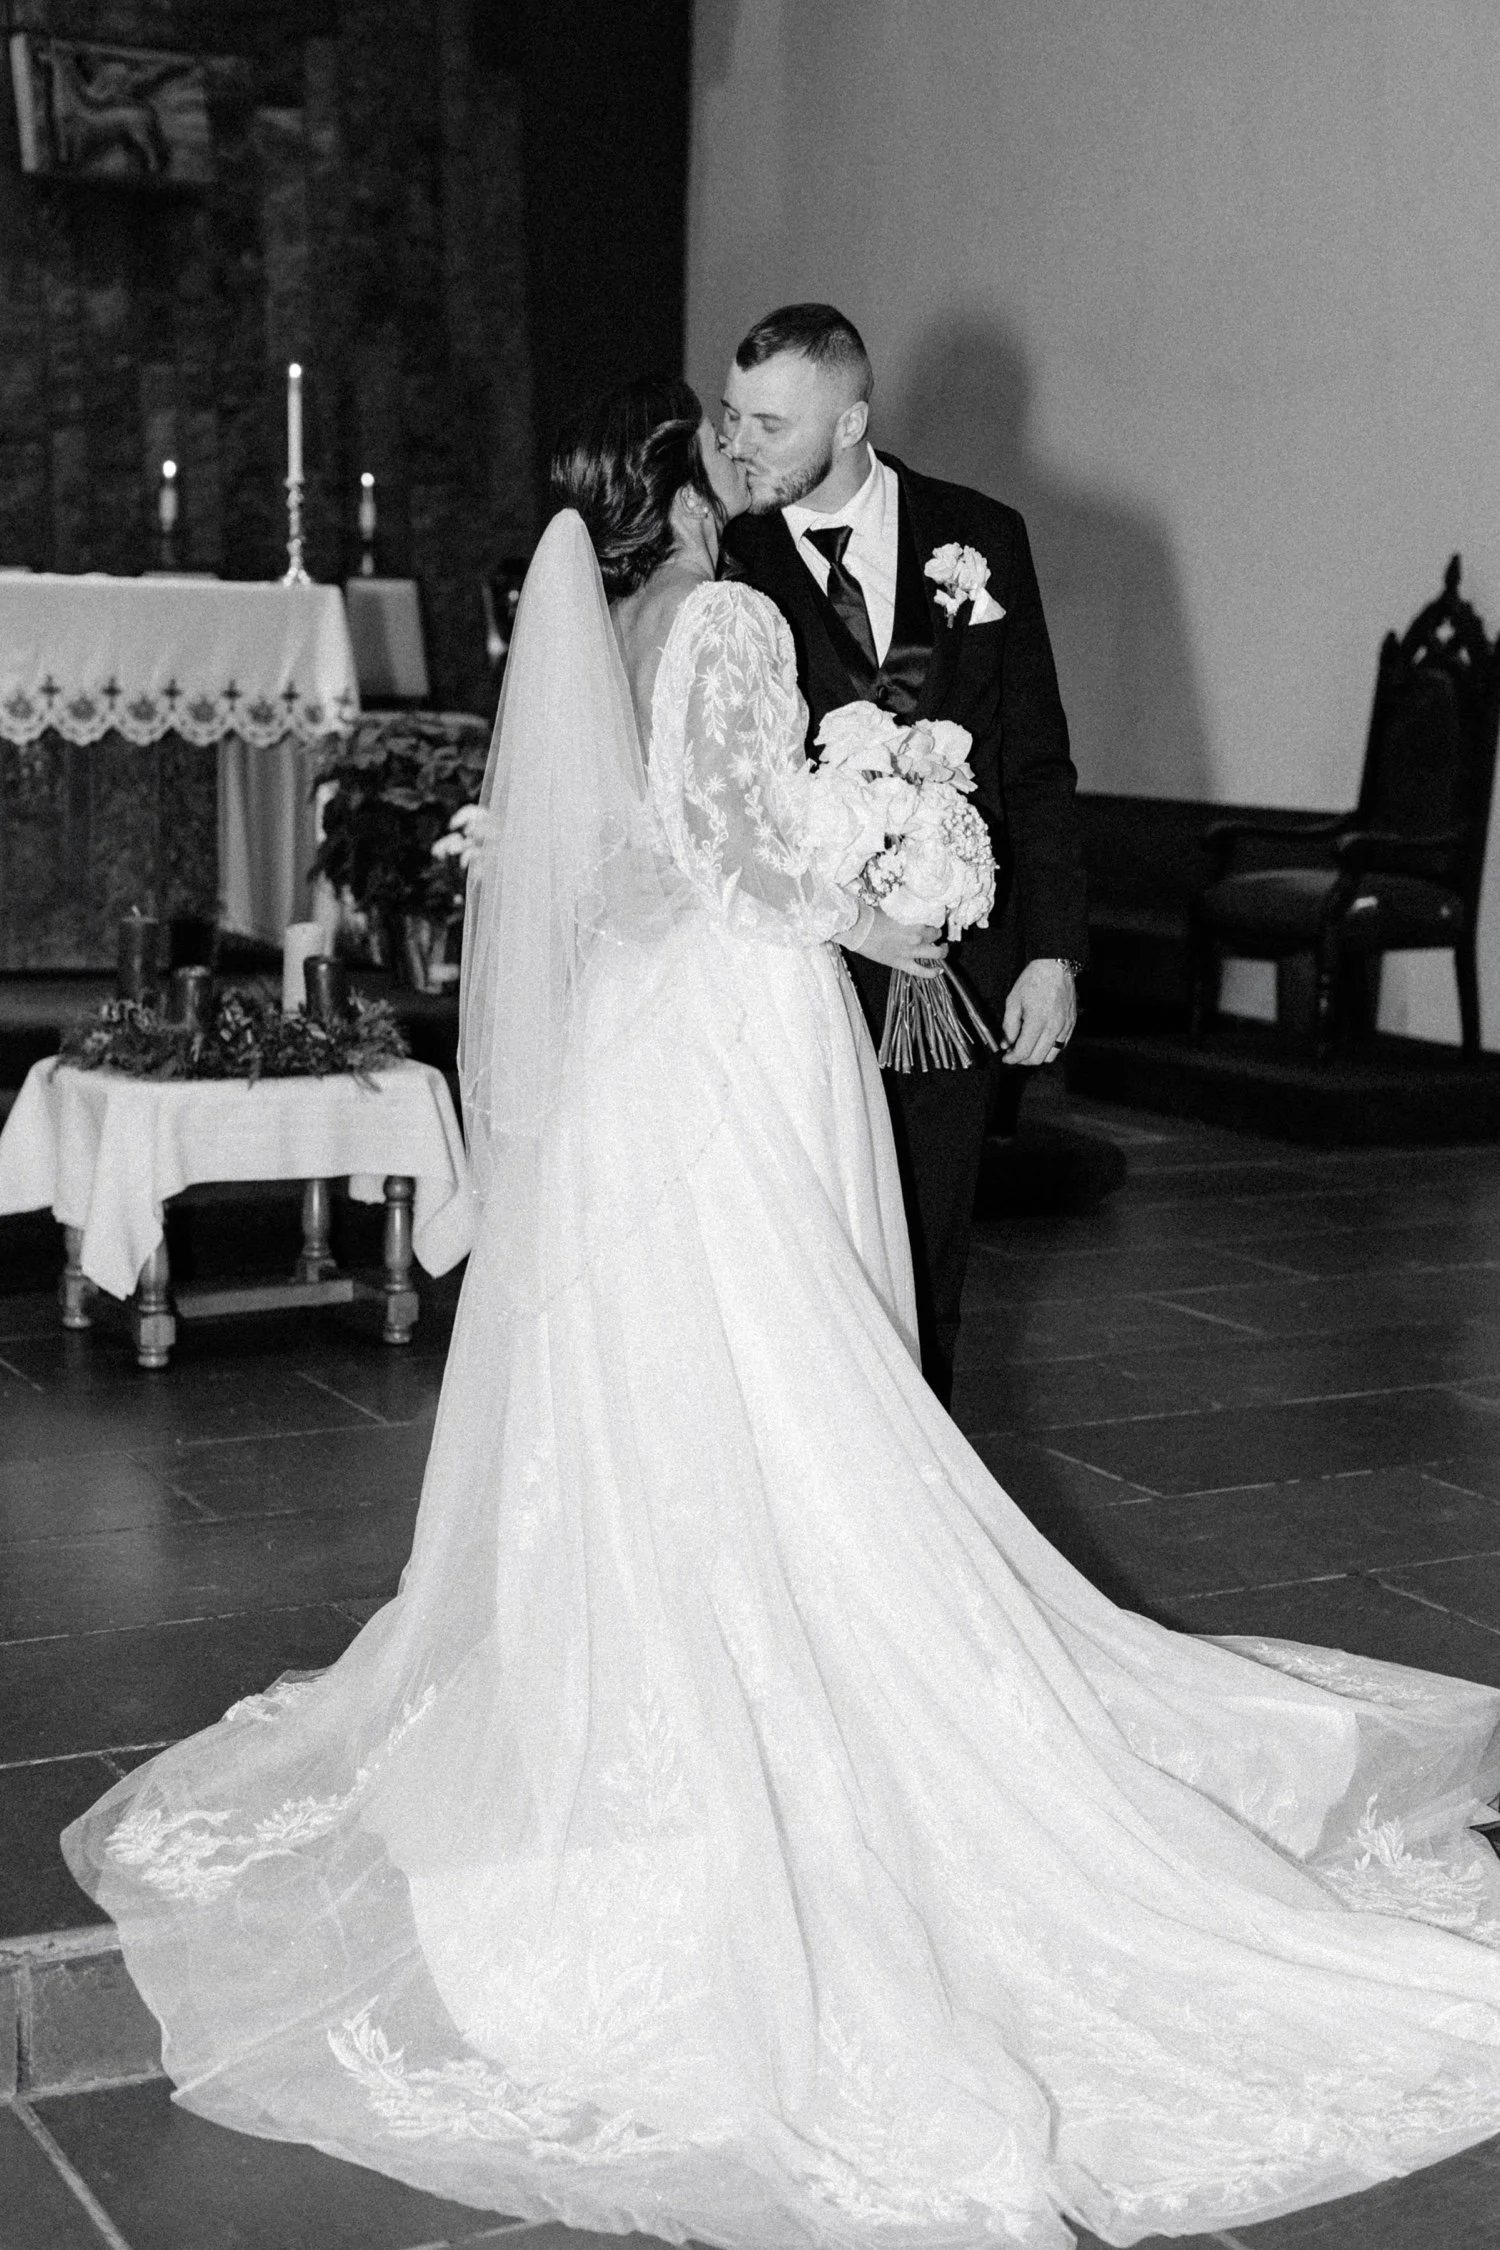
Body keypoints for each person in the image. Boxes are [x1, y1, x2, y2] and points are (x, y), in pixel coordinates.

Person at [64, 377, 1500, 2250]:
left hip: (637, 1036)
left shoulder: (616, 621)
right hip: (746, 1018)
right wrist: (885, 907)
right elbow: (748, 849)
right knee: (794, 1345)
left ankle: (663, 1638)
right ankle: (797, 1645)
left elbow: (629, 863)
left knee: (674, 1361)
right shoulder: (729, 614)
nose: (749, 460)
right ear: (678, 492)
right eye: (726, 449)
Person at [720, 304, 1089, 1405]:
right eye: (730, 417)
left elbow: (1037, 762)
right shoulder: (726, 561)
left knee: (931, 1249)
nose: (739, 447)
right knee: (809, 1251)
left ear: (850, 423)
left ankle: (923, 1492)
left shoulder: (983, 534)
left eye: (770, 426)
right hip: (804, 965)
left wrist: (1051, 953)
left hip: (956, 964)